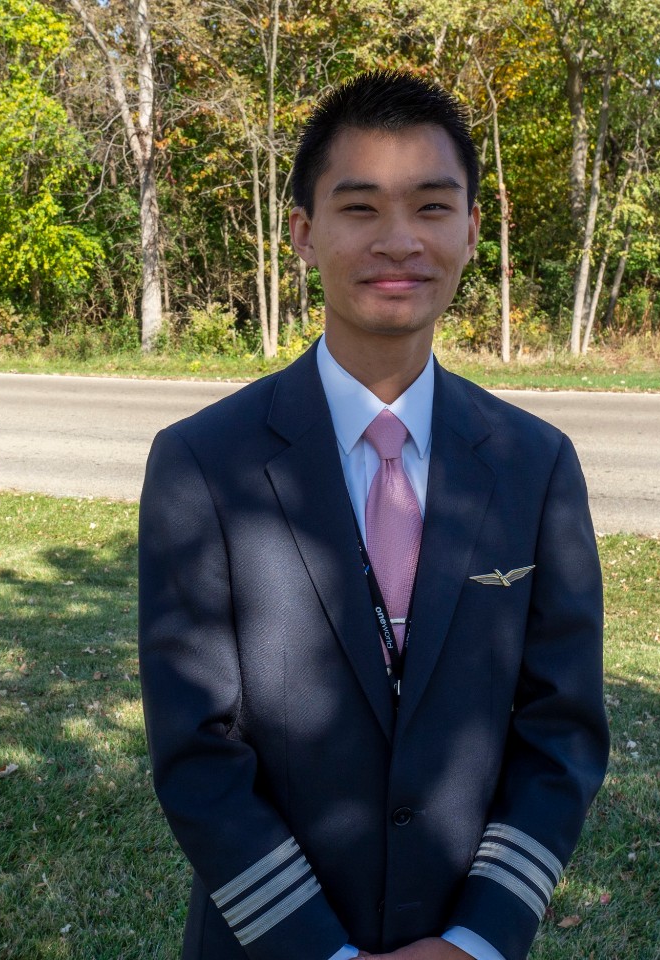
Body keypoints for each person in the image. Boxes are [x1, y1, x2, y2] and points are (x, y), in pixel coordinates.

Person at [138, 70, 609, 960]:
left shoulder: (533, 464)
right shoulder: (202, 462)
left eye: (432, 207)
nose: (400, 242)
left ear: (472, 229)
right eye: (360, 209)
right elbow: (197, 752)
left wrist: (478, 938)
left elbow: (562, 728)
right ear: (304, 234)